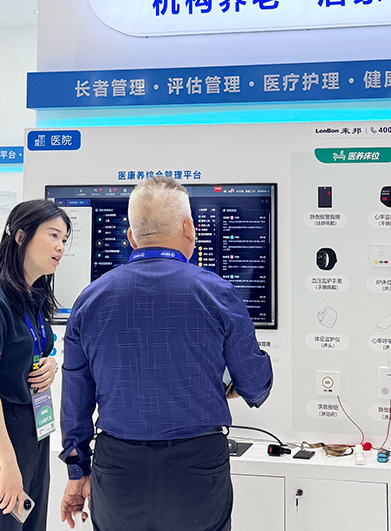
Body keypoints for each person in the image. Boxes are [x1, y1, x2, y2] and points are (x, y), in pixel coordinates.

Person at [59, 176, 273, 531]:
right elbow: (255, 386)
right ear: (189, 228)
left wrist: (77, 470)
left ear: (132, 237)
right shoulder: (218, 293)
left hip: (118, 468)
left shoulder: (90, 299)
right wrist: (230, 384)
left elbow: (75, 399)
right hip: (197, 469)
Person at [0, 200, 70, 530]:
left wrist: (51, 364)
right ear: (20, 236)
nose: (61, 247)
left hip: (33, 429)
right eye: (53, 235)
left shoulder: (31, 297)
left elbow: (35, 349)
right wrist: (8, 464)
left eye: (64, 239)